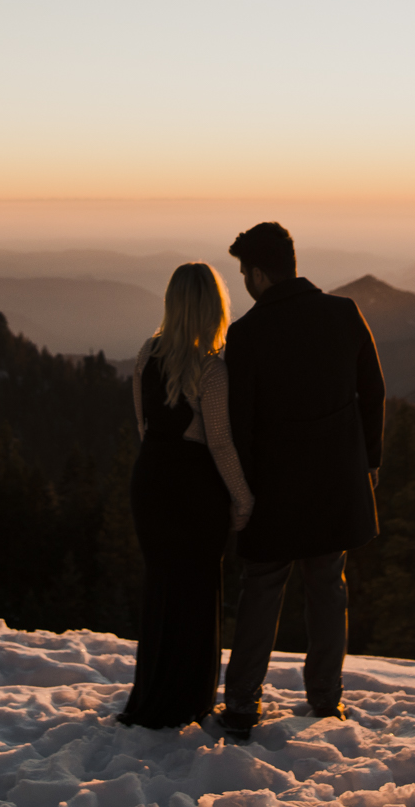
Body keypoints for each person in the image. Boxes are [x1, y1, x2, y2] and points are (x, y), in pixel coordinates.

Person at [216, 221, 384, 739]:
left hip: (272, 491)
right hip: (336, 486)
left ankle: (243, 703)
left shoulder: (246, 335)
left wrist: (238, 493)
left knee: (262, 590)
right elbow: (373, 392)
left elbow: (238, 424)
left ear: (261, 274)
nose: (244, 281)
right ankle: (326, 702)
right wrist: (368, 465)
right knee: (327, 590)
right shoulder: (344, 314)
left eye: (245, 272)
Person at [117, 262, 255, 729]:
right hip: (197, 492)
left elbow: (143, 425)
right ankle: (188, 699)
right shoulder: (211, 371)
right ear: (214, 306)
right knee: (197, 593)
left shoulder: (145, 354)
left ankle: (153, 693)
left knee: (161, 589)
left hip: (152, 482)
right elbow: (220, 443)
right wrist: (243, 498)